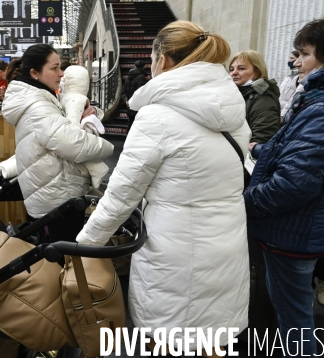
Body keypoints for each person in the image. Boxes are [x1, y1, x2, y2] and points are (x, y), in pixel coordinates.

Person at [75, 21, 250, 356]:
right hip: (227, 245)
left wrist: (84, 246)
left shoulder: (158, 117)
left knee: (169, 341)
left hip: (176, 255)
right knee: (213, 342)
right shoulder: (232, 111)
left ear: (164, 60)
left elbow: (121, 197)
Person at [244, 15, 324, 356]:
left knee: (293, 319)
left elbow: (293, 184)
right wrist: (266, 150)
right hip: (313, 227)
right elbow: (315, 159)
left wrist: (244, 203)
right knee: (296, 308)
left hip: (294, 231)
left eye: (304, 53)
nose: (296, 60)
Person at [2, 44, 113, 243]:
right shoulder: (37, 106)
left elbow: (71, 112)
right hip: (54, 196)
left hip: (52, 189)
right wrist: (107, 148)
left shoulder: (40, 95)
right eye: (54, 68)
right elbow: (75, 144)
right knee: (63, 257)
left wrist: (93, 111)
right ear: (35, 73)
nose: (61, 74)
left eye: (60, 67)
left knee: (59, 254)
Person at [229, 51, 280, 144]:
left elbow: (262, 138)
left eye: (241, 68)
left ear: (256, 72)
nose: (234, 73)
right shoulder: (234, 94)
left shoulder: (264, 98)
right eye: (231, 69)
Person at [121, 60, 148, 130]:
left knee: (130, 123)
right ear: (143, 67)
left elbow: (123, 91)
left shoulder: (128, 77)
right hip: (137, 106)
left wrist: (126, 100)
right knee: (137, 125)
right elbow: (140, 93)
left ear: (135, 66)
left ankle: (128, 138)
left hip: (129, 105)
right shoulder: (141, 77)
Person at [278, 50, 301, 119]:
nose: (289, 60)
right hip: (278, 113)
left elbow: (293, 98)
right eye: (289, 58)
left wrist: (282, 115)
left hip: (285, 116)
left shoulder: (300, 77)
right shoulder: (289, 76)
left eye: (292, 58)